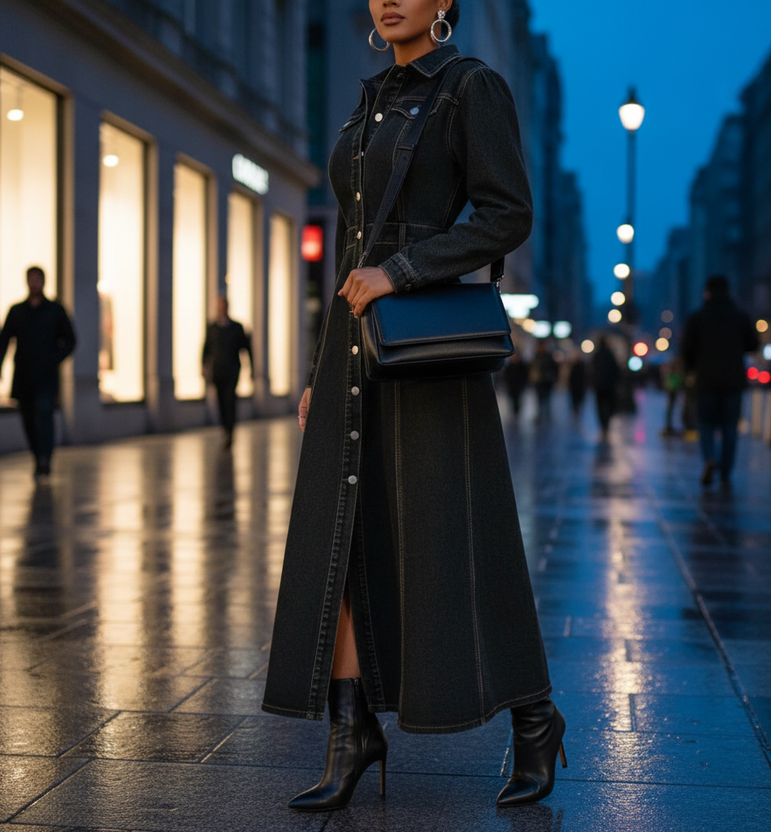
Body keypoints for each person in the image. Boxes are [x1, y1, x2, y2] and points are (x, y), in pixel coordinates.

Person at [262, 0, 565, 812]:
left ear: (446, 5)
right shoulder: (369, 99)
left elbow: (507, 215)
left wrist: (404, 270)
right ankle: (352, 728)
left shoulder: (473, 88)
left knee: (458, 538)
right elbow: (355, 245)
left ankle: (534, 718)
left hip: (426, 353)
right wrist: (327, 363)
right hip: (355, 348)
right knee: (342, 541)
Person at [682, 275, 759, 486]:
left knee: (705, 424)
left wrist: (691, 369)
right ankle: (726, 471)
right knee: (729, 428)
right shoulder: (740, 317)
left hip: (706, 379)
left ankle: (709, 458)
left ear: (707, 292)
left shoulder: (697, 318)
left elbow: (687, 350)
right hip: (733, 381)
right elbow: (753, 344)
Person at [0, 266, 76, 479]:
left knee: (44, 415)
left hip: (46, 375)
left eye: (38, 279)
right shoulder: (16, 311)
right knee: (28, 419)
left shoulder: (55, 310)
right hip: (24, 375)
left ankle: (45, 460)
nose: (35, 283)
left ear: (44, 281)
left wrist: (54, 359)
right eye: (31, 279)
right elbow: (4, 340)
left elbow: (70, 340)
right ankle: (37, 456)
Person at [201, 296, 253, 448]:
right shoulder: (212, 327)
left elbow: (246, 348)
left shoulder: (237, 327)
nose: (220, 309)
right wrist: (203, 367)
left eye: (222, 306)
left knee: (230, 400)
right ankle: (225, 429)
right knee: (221, 401)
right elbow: (206, 349)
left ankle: (230, 431)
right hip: (217, 371)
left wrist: (251, 367)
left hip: (232, 370)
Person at [592, 336, 619, 440]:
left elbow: (592, 370)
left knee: (600, 405)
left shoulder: (597, 355)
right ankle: (606, 423)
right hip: (609, 385)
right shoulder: (610, 355)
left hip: (599, 385)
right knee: (609, 404)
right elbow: (616, 370)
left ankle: (603, 424)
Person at [529, 340, 558, 422]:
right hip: (538, 382)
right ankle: (541, 416)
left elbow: (554, 368)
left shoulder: (548, 357)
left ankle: (547, 416)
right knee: (539, 400)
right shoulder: (536, 356)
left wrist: (552, 377)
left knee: (547, 400)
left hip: (547, 382)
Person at [661, 357, 684, 436]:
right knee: (671, 408)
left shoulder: (671, 373)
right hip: (673, 391)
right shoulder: (674, 373)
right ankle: (669, 426)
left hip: (673, 390)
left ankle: (670, 426)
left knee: (672, 409)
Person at [502, 350, 529, 418]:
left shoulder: (522, 365)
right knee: (512, 400)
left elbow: (525, 375)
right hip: (511, 386)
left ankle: (517, 412)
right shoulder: (509, 366)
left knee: (518, 400)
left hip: (519, 386)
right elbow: (505, 376)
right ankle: (514, 412)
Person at [567, 354, 587, 418]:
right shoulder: (579, 366)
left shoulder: (577, 366)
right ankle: (576, 409)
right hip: (577, 386)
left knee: (576, 399)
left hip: (577, 386)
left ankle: (576, 409)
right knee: (577, 399)